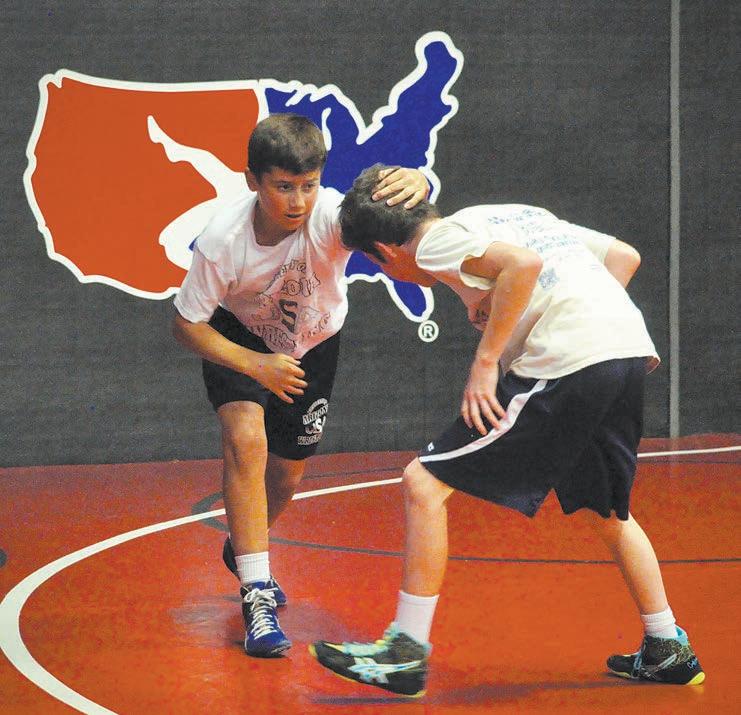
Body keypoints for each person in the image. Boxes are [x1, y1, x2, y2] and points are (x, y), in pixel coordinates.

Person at [309, 163, 705, 695]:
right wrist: (564, 312)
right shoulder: (510, 213)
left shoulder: (432, 244)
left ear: (386, 251)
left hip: (569, 359)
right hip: (626, 349)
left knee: (423, 483)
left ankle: (405, 652)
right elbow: (623, 258)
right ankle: (666, 645)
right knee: (606, 510)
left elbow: (524, 265)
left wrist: (487, 359)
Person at [172, 122, 429, 658]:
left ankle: (244, 545)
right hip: (239, 338)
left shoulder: (331, 216)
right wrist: (254, 364)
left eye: (308, 185)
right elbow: (187, 325)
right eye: (283, 187)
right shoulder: (223, 241)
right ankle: (257, 594)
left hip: (313, 344)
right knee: (246, 441)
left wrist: (417, 184)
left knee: (286, 478)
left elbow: (397, 221)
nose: (297, 201)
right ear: (253, 181)